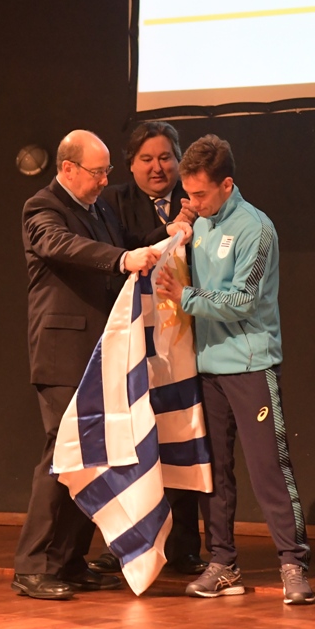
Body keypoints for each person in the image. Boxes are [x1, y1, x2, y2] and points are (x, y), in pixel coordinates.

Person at [14, 129, 178, 600]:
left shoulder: (98, 208)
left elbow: (127, 242)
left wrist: (165, 234)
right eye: (98, 171)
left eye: (107, 170)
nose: (106, 180)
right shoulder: (42, 208)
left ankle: (67, 561)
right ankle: (32, 565)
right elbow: (65, 246)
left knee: (92, 454)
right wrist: (125, 257)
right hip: (63, 352)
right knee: (62, 455)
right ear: (67, 168)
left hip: (102, 352)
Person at [154, 134, 315, 606]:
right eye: (189, 194)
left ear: (227, 184)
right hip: (207, 369)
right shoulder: (197, 224)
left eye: (201, 194)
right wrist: (182, 225)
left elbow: (243, 301)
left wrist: (184, 298)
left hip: (249, 365)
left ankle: (293, 563)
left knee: (269, 468)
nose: (194, 202)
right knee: (214, 473)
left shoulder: (255, 229)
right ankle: (222, 562)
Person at [88, 121, 207, 577]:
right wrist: (170, 231)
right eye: (146, 159)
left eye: (165, 157)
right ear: (129, 164)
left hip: (186, 339)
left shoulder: (199, 197)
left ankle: (184, 546)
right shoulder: (112, 202)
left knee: (183, 436)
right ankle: (124, 542)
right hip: (134, 340)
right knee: (132, 440)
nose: (158, 167)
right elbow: (119, 255)